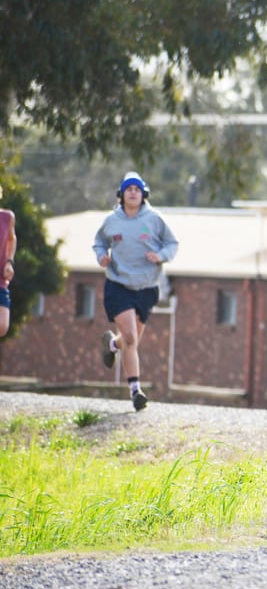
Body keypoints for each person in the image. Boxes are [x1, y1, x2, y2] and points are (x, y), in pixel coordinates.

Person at [93, 172, 179, 411]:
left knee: (131, 340)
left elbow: (172, 244)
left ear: (144, 195)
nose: (133, 192)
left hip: (147, 287)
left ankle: (111, 345)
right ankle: (135, 391)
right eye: (128, 189)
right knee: (130, 337)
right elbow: (99, 241)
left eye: (137, 189)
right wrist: (101, 255)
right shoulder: (112, 221)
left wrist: (160, 256)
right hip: (118, 285)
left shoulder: (154, 219)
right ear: (121, 195)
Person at [0, 186, 17, 337]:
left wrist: (9, 262)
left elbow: (12, 239)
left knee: (3, 326)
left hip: (1, 278)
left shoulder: (7, 217)